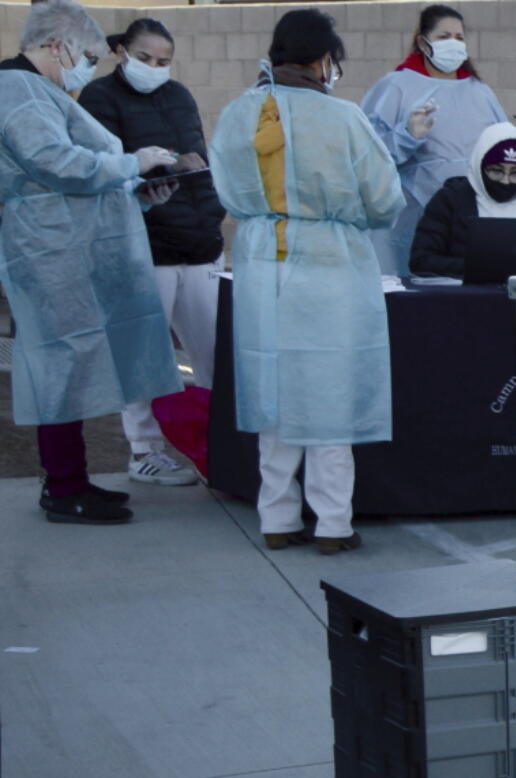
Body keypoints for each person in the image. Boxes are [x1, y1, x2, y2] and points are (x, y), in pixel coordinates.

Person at [209, 8, 402, 554]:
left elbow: (225, 188)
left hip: (260, 263)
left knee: (276, 393)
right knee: (330, 396)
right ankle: (334, 525)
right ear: (323, 59)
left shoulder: (238, 113)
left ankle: (277, 518)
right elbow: (385, 198)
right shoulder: (341, 118)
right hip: (330, 266)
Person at [0, 0, 182, 524]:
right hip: (50, 251)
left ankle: (72, 479)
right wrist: (132, 162)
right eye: (88, 56)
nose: (89, 67)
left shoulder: (40, 91)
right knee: (61, 363)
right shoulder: (18, 89)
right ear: (58, 45)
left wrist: (141, 190)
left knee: (72, 364)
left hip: (67, 246)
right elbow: (55, 163)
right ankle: (64, 487)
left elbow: (78, 176)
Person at [79, 17, 227, 488]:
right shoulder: (100, 98)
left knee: (213, 352)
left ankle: (216, 442)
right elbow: (105, 168)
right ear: (122, 51)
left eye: (164, 61)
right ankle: (144, 451)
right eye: (145, 58)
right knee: (145, 356)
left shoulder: (180, 95)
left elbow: (197, 160)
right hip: (144, 245)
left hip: (199, 243)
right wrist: (158, 165)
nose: (155, 68)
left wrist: (211, 218)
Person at [361, 3, 516, 276]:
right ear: (423, 43)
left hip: (471, 215)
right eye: (444, 37)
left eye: (459, 38)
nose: (454, 44)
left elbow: (503, 156)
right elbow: (367, 156)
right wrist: (406, 136)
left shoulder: (479, 91)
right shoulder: (396, 86)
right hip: (413, 213)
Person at [409, 121, 516, 278]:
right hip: (462, 299)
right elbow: (421, 260)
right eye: (497, 171)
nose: (505, 181)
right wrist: (479, 267)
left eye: (515, 174)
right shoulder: (450, 201)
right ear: (480, 166)